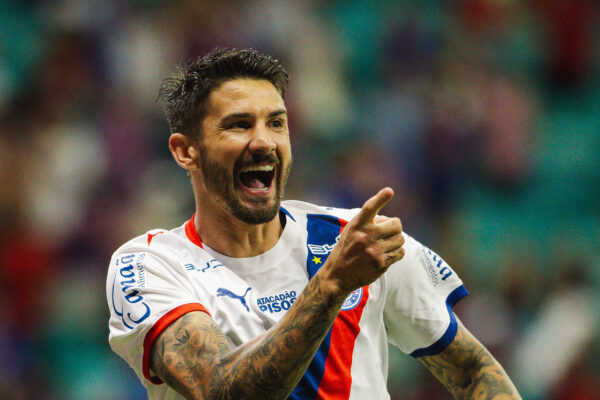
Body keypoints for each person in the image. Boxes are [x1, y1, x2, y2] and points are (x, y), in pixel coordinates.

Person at [106, 48, 521, 400]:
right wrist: (331, 284)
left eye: (276, 122)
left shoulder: (357, 238)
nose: (264, 141)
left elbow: (474, 372)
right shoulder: (151, 264)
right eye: (239, 124)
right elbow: (219, 390)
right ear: (185, 151)